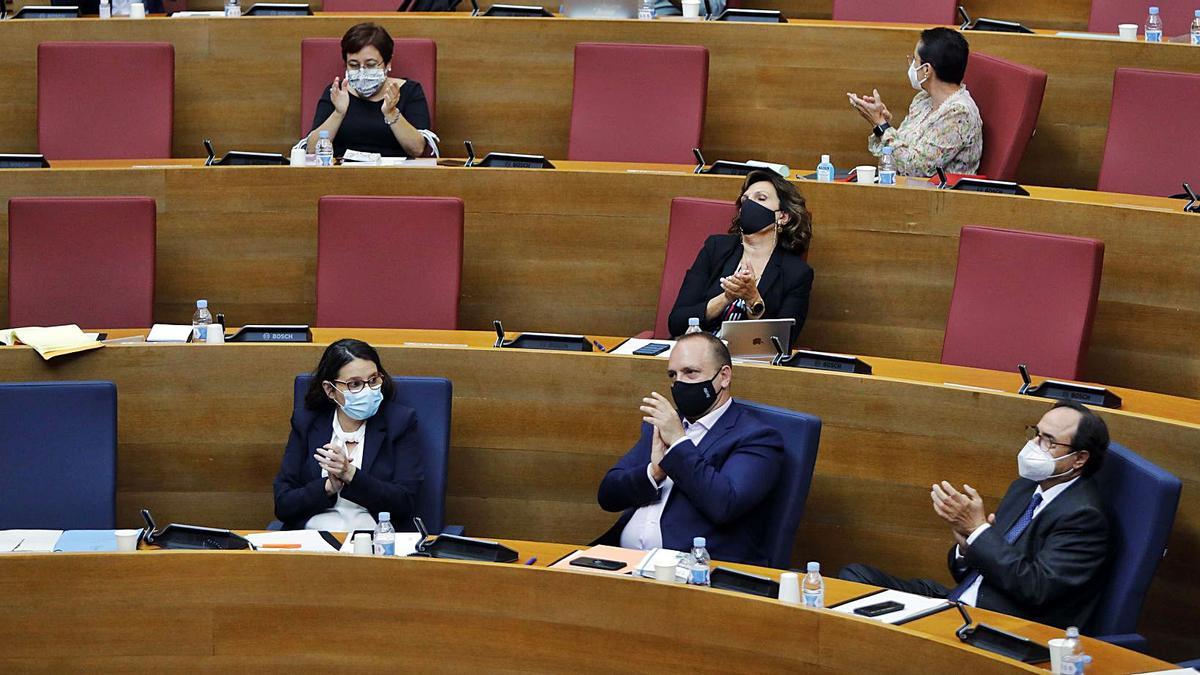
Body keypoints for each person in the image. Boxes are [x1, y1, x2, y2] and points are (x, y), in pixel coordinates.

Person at [838, 402, 1112, 630]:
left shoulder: (1085, 516)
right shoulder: (1026, 486)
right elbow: (974, 567)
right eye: (1036, 434)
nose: (1035, 446)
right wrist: (967, 546)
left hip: (996, 622)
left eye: (1048, 441)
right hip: (960, 600)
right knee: (855, 577)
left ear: (1079, 459)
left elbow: (1036, 588)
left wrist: (980, 532)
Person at [595, 332, 785, 566]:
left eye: (690, 373)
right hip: (623, 561)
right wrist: (654, 473)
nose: (679, 383)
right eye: (673, 375)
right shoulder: (662, 426)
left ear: (724, 377)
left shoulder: (757, 437)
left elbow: (724, 505)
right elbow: (608, 495)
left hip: (691, 569)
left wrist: (678, 444)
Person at [273, 339, 423, 530]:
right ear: (330, 390)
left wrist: (350, 474)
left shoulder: (400, 422)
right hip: (313, 538)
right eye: (355, 384)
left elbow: (405, 503)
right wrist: (328, 487)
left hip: (374, 539)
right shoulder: (307, 423)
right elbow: (283, 504)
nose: (368, 390)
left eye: (373, 380)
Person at [667, 169, 815, 348]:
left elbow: (782, 343)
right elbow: (676, 322)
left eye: (761, 198)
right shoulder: (716, 248)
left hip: (746, 362)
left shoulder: (797, 273)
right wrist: (726, 297)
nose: (750, 204)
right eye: (745, 200)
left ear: (782, 216)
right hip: (695, 352)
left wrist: (753, 299)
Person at [846, 27, 982, 177]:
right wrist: (880, 121)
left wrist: (881, 125)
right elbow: (900, 154)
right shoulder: (923, 100)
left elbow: (915, 169)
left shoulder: (959, 114)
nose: (911, 65)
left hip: (940, 197)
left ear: (926, 70)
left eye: (914, 60)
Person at [305, 23, 432, 158]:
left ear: (388, 63)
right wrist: (338, 113)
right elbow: (311, 150)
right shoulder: (337, 93)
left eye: (370, 65)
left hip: (396, 174)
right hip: (342, 173)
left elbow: (417, 149)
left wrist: (391, 113)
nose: (362, 72)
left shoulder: (409, 91)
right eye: (353, 65)